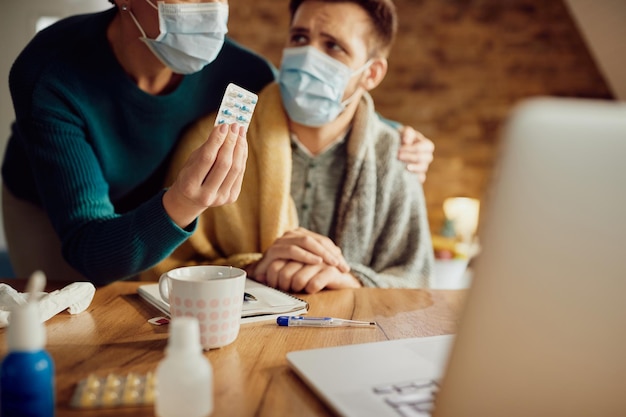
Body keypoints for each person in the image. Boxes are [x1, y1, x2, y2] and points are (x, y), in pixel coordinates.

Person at [1, 0, 433, 285]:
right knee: (64, 316)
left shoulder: (242, 73)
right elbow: (89, 248)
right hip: (61, 211)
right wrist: (184, 202)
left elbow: (301, 101)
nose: (208, 8)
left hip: (167, 201)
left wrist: (394, 134)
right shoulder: (49, 74)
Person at [143, 0, 434, 293]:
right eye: (299, 38)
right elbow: (161, 270)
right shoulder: (214, 141)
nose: (308, 56)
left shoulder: (397, 156)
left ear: (372, 73)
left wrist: (350, 281)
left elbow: (416, 280)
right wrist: (256, 269)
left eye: (333, 46)